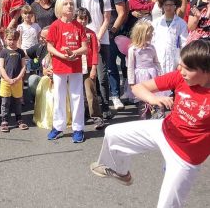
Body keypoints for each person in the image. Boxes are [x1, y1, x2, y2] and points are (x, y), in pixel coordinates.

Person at [90, 39, 210, 208]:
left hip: (185, 157)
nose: (180, 70)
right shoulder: (180, 77)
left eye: (188, 69)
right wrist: (154, 98)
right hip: (165, 130)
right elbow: (138, 88)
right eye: (180, 65)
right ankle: (120, 172)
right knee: (112, 133)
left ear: (206, 72)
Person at [46, 0, 88, 143]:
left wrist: (73, 53)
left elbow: (85, 48)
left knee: (76, 96)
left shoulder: (79, 26)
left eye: (71, 4)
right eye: (65, 4)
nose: (69, 6)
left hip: (75, 66)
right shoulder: (55, 25)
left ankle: (78, 128)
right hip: (59, 66)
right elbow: (49, 46)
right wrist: (62, 56)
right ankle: (58, 126)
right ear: (59, 7)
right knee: (59, 96)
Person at [72, 0, 113, 116]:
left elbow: (106, 19)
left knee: (101, 75)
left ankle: (105, 106)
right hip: (81, 41)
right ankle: (87, 109)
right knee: (84, 75)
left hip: (101, 38)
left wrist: (98, 38)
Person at [127, 20, 163, 120]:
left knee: (155, 97)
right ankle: (144, 118)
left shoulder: (152, 48)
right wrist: (131, 82)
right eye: (150, 32)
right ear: (142, 33)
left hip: (152, 75)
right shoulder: (133, 49)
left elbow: (156, 62)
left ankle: (158, 117)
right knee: (143, 100)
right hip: (140, 77)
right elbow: (130, 66)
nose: (152, 34)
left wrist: (160, 75)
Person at [75, 8, 104, 130]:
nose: (82, 21)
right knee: (76, 93)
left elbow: (95, 53)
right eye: (80, 18)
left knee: (90, 92)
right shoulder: (72, 33)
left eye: (85, 18)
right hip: (75, 66)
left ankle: (97, 117)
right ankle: (78, 116)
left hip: (88, 66)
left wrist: (94, 68)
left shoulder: (91, 34)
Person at [152, 0, 188, 75]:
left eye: (171, 5)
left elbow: (184, 43)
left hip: (174, 59)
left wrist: (181, 62)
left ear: (175, 6)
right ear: (162, 6)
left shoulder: (181, 23)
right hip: (158, 58)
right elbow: (151, 42)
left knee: (172, 83)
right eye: (166, 5)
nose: (168, 8)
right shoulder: (156, 23)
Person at [0, 29, 28, 133]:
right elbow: (1, 67)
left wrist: (18, 78)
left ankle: (19, 119)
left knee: (17, 102)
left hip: (17, 81)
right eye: (9, 39)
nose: (12, 41)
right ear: (5, 39)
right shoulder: (3, 51)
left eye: (14, 39)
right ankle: (4, 121)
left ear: (17, 39)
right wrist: (7, 79)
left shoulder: (20, 52)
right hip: (6, 81)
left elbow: (24, 66)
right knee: (5, 102)